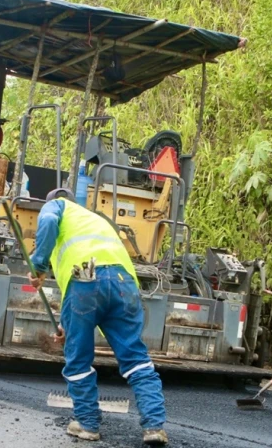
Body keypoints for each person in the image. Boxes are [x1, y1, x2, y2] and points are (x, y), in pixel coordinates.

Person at [28, 188, 167, 446]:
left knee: (78, 360)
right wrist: (64, 324)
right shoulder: (95, 219)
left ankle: (87, 424)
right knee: (136, 359)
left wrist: (38, 265)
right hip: (124, 285)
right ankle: (154, 426)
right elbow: (102, 286)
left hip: (86, 280)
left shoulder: (57, 206)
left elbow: (48, 223)